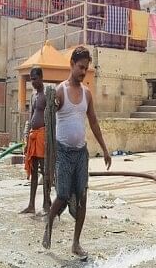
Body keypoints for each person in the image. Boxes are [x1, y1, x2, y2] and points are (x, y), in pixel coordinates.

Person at [42, 46, 112, 257]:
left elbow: (94, 123)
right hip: (63, 153)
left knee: (82, 197)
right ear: (71, 64)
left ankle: (76, 243)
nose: (83, 72)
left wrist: (105, 149)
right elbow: (49, 117)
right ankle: (49, 227)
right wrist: (51, 104)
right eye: (81, 67)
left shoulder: (87, 94)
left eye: (86, 68)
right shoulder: (59, 91)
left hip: (81, 153)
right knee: (62, 196)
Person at [20, 67, 51, 216]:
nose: (32, 81)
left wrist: (50, 140)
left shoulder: (47, 95)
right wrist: (26, 137)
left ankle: (46, 204)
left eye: (35, 78)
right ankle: (31, 204)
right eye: (31, 79)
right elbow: (30, 116)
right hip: (33, 137)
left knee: (44, 171)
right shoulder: (33, 96)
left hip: (43, 137)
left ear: (41, 78)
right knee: (33, 171)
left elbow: (52, 118)